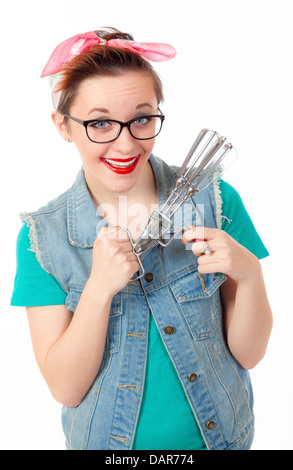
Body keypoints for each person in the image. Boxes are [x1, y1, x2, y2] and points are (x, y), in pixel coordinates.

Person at [11, 28, 272, 450]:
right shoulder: (43, 238)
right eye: (100, 123)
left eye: (142, 119)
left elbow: (250, 354)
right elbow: (66, 388)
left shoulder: (215, 201)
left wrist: (249, 275)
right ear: (63, 125)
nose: (126, 142)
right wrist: (97, 290)